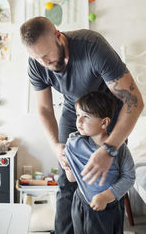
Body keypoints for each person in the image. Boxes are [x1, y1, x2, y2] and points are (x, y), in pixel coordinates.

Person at [20, 16, 144, 234]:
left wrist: (109, 148)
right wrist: (56, 147)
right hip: (73, 110)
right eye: (38, 59)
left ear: (58, 35)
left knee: (109, 177)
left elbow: (134, 102)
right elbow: (44, 109)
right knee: (66, 181)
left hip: (109, 111)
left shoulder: (92, 47)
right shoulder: (37, 64)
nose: (45, 63)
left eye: (47, 55)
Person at [64, 91, 135, 234]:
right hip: (81, 202)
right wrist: (67, 167)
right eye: (78, 115)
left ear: (104, 122)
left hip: (108, 207)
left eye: (86, 117)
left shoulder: (119, 148)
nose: (78, 122)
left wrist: (105, 196)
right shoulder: (75, 143)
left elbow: (129, 177)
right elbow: (72, 178)